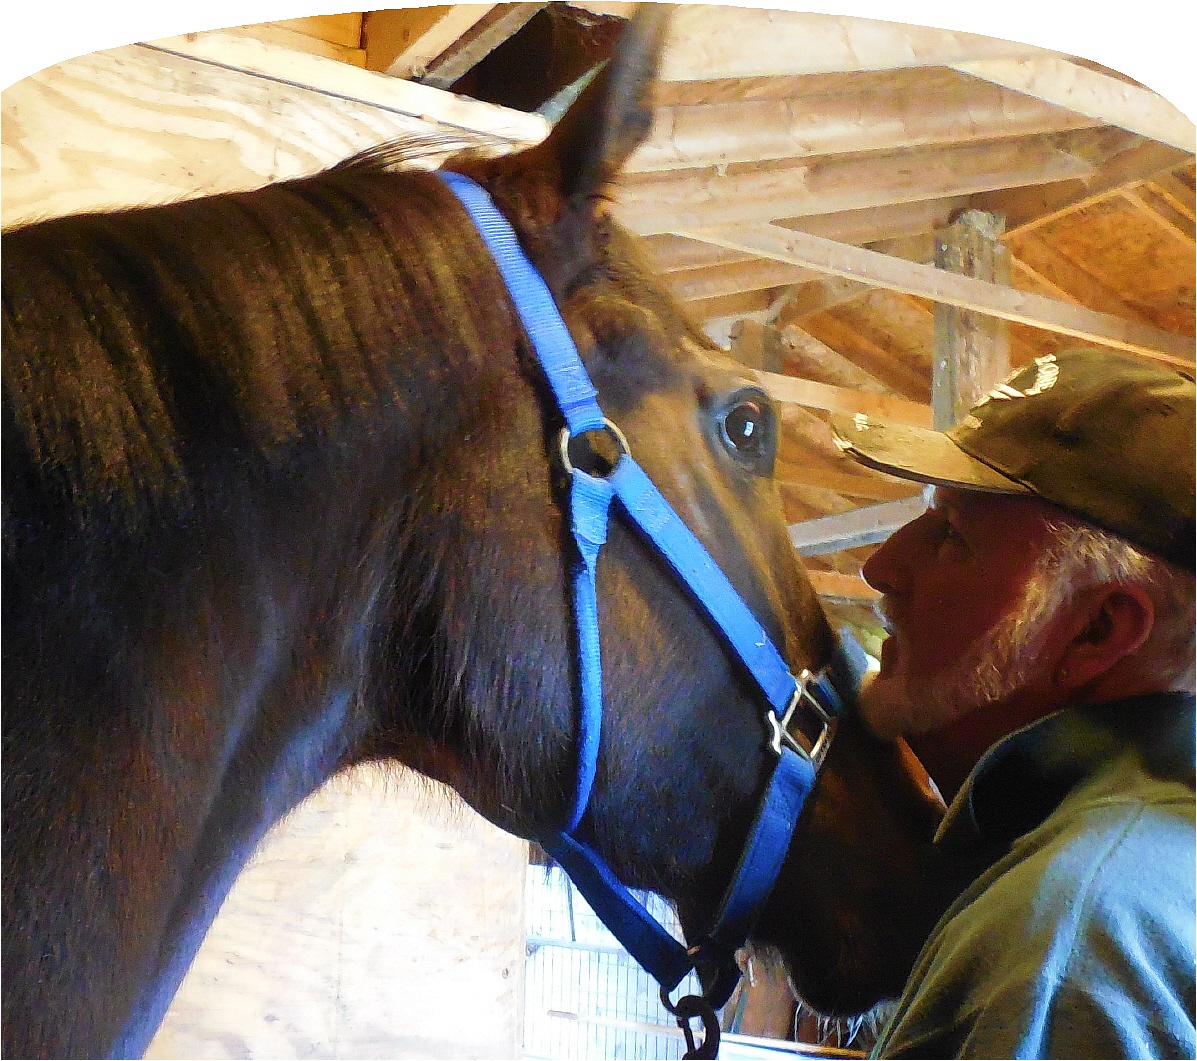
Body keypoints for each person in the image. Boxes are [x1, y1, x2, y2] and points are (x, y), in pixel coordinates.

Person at [829, 347, 1196, 1059]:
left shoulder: (1060, 950)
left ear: (1097, 630)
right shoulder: (1147, 874)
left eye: (952, 536)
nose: (881, 566)